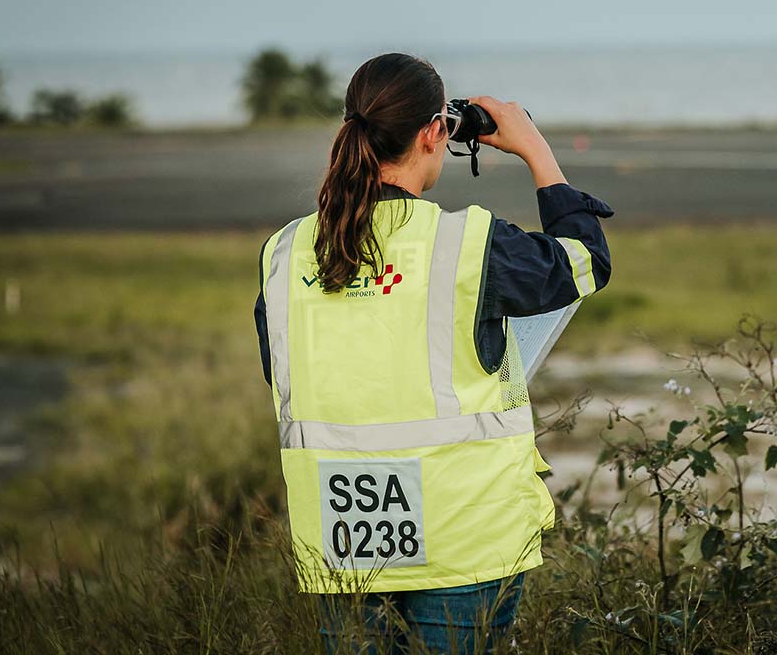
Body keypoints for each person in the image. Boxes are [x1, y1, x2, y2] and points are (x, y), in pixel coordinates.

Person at [252, 52, 613, 654]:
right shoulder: (465, 241)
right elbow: (583, 261)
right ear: (432, 132)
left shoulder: (286, 252)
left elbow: (285, 377)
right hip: (463, 534)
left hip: (344, 535)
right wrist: (536, 151)